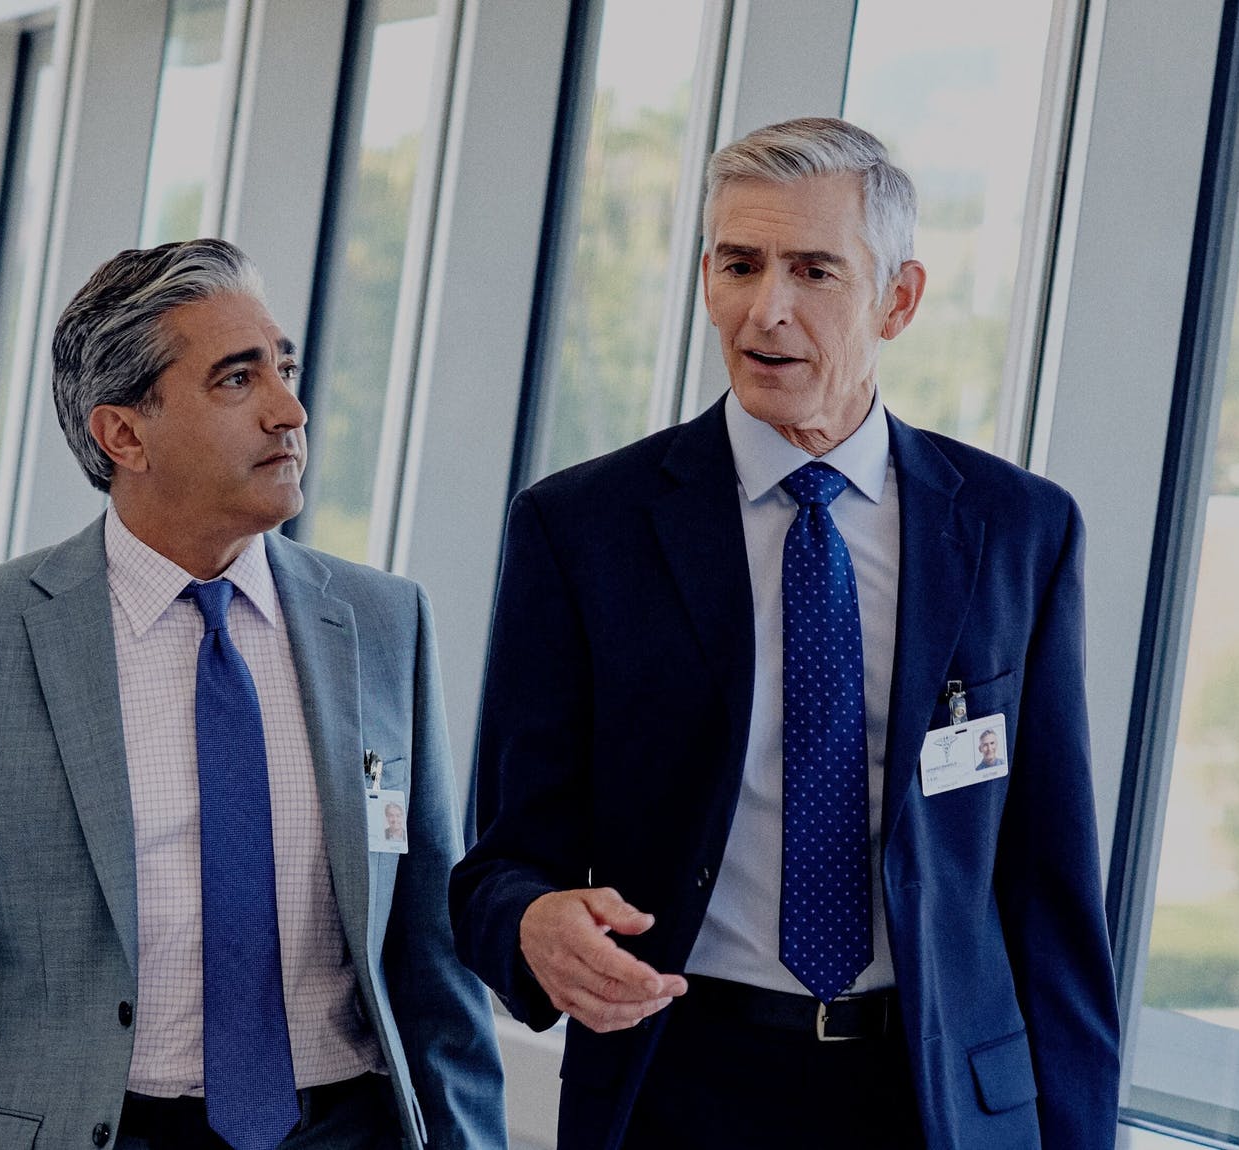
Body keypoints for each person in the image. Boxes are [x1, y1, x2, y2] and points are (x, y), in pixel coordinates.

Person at [451, 117, 1117, 1149]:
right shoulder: (579, 529)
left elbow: (1051, 898)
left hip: (933, 1101)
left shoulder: (1015, 531)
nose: (767, 310)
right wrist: (531, 924)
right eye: (740, 264)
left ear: (897, 299)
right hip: (678, 1086)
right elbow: (500, 865)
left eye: (814, 270)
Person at [0, 238, 504, 1150]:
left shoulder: (386, 623)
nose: (290, 410)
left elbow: (434, 962)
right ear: (124, 433)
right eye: (237, 380)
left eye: (284, 368)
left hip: (349, 1127)